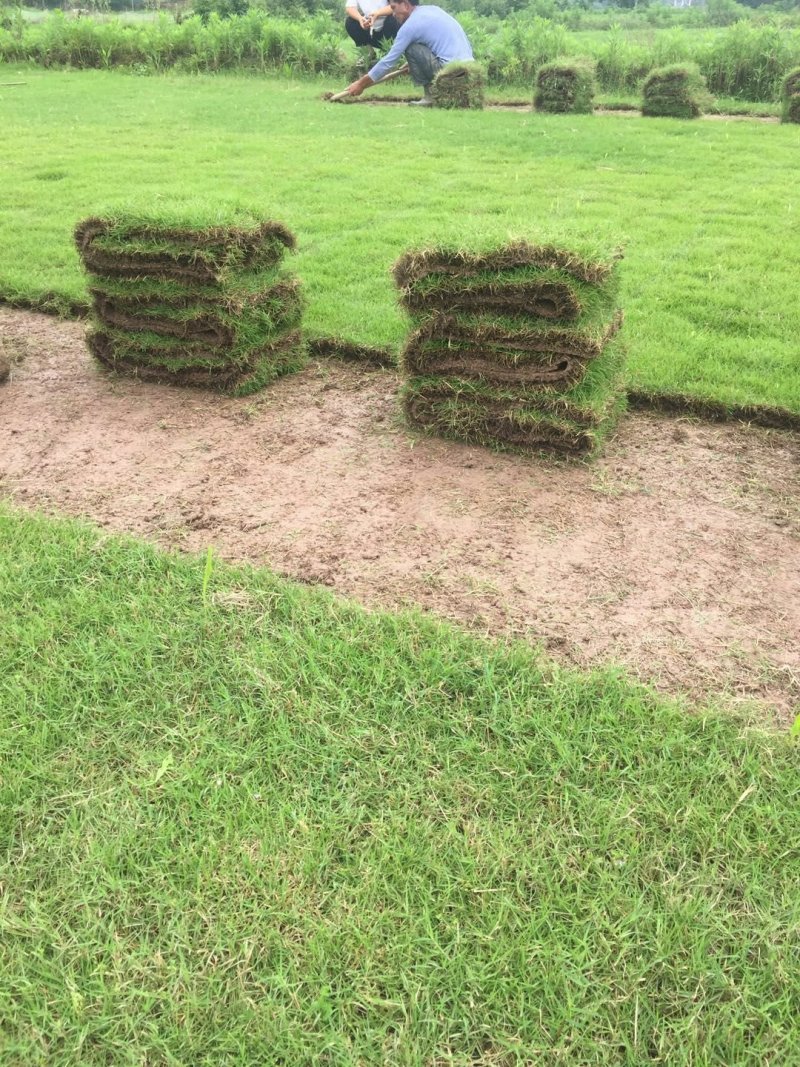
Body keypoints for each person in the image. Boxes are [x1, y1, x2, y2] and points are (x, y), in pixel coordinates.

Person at [345, 0, 474, 107]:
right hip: (469, 71)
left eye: (394, 8)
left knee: (410, 47)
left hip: (449, 73)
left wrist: (360, 84)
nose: (393, 14)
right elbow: (433, 44)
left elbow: (388, 62)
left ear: (406, 5)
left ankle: (431, 97)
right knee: (414, 48)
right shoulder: (433, 9)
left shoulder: (409, 27)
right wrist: (414, 63)